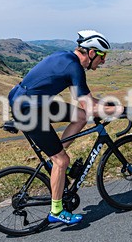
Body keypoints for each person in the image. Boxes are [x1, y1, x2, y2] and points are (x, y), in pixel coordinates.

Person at [8, 30, 123, 225]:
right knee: (63, 160)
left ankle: (55, 164)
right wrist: (122, 110)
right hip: (28, 110)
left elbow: (85, 104)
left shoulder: (67, 58)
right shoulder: (75, 68)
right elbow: (91, 107)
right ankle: (57, 210)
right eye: (102, 56)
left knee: (80, 117)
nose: (103, 62)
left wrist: (109, 107)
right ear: (92, 52)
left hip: (32, 102)